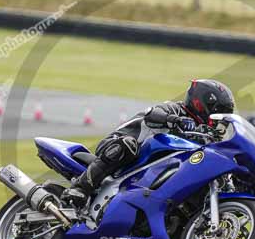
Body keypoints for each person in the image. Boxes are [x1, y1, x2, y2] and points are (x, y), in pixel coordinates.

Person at [69, 79, 235, 198]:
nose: (218, 119)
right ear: (202, 103)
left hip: (147, 170)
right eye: (218, 111)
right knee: (128, 145)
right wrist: (175, 120)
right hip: (120, 147)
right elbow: (152, 114)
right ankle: (80, 188)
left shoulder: (204, 134)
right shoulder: (175, 109)